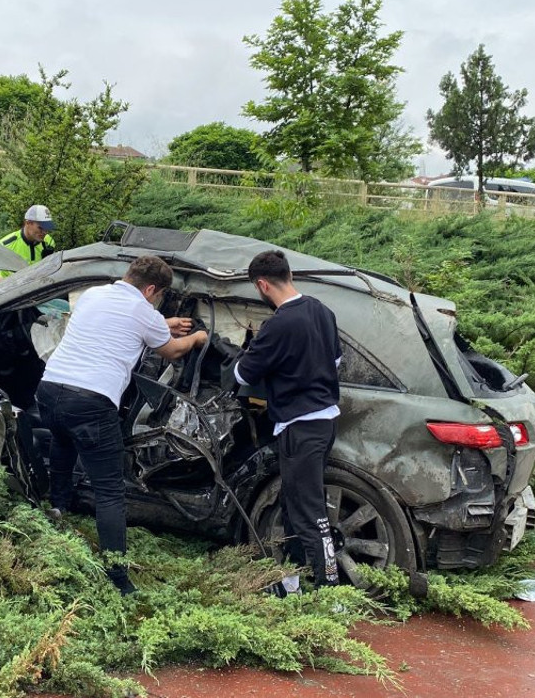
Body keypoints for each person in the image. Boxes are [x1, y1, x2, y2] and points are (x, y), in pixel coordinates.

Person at [37, 255, 208, 594]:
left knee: (63, 444)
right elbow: (173, 351)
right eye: (157, 297)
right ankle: (117, 577)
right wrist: (197, 338)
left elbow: (122, 323)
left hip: (50, 388)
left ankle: (57, 508)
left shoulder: (93, 294)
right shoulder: (144, 312)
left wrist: (163, 322)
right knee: (110, 490)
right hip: (90, 402)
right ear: (150, 289)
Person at [233, 249, 343, 590]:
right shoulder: (321, 311)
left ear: (263, 285)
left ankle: (331, 592)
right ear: (289, 275)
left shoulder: (277, 325)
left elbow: (241, 373)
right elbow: (336, 361)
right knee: (291, 503)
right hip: (324, 422)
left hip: (300, 426)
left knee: (311, 512)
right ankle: (290, 583)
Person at [0, 205, 57, 283]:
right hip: (12, 292)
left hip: (38, 288)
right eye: (40, 228)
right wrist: (6, 283)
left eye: (47, 227)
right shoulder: (6, 244)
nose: (44, 232)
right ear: (28, 223)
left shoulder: (49, 241)